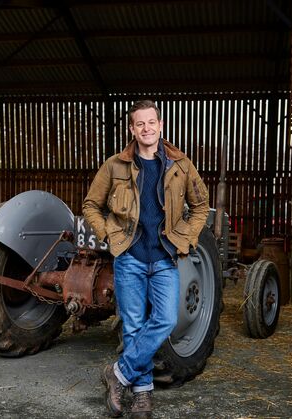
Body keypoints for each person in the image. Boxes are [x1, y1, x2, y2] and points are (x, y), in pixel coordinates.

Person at [82, 99, 210, 418]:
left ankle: (118, 374)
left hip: (165, 258)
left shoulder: (180, 164)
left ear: (160, 125)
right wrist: (110, 235)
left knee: (164, 320)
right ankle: (142, 395)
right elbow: (90, 206)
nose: (146, 128)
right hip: (130, 258)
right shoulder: (115, 165)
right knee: (134, 326)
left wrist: (186, 237)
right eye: (139, 124)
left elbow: (201, 204)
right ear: (132, 129)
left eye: (151, 122)